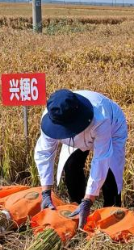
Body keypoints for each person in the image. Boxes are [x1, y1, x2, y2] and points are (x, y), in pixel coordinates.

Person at [35, 89, 128, 229]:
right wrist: (46, 192)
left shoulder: (100, 119)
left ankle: (111, 218)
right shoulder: (53, 116)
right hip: (74, 131)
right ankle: (76, 212)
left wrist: (88, 200)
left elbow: (101, 159)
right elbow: (44, 153)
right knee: (71, 166)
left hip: (112, 128)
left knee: (110, 174)